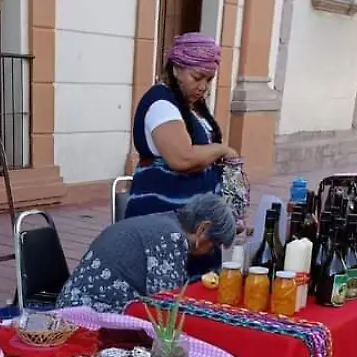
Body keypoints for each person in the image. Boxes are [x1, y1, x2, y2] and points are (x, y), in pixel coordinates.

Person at [126, 32, 237, 279]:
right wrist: (221, 150)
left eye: (209, 79)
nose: (203, 86)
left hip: (193, 223)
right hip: (164, 216)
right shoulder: (161, 104)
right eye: (197, 77)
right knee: (170, 289)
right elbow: (182, 158)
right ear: (176, 69)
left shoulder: (188, 105)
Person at [55, 194, 236, 314]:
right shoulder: (172, 238)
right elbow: (165, 307)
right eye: (214, 244)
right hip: (86, 313)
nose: (212, 251)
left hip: (76, 301)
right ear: (202, 229)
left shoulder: (167, 222)